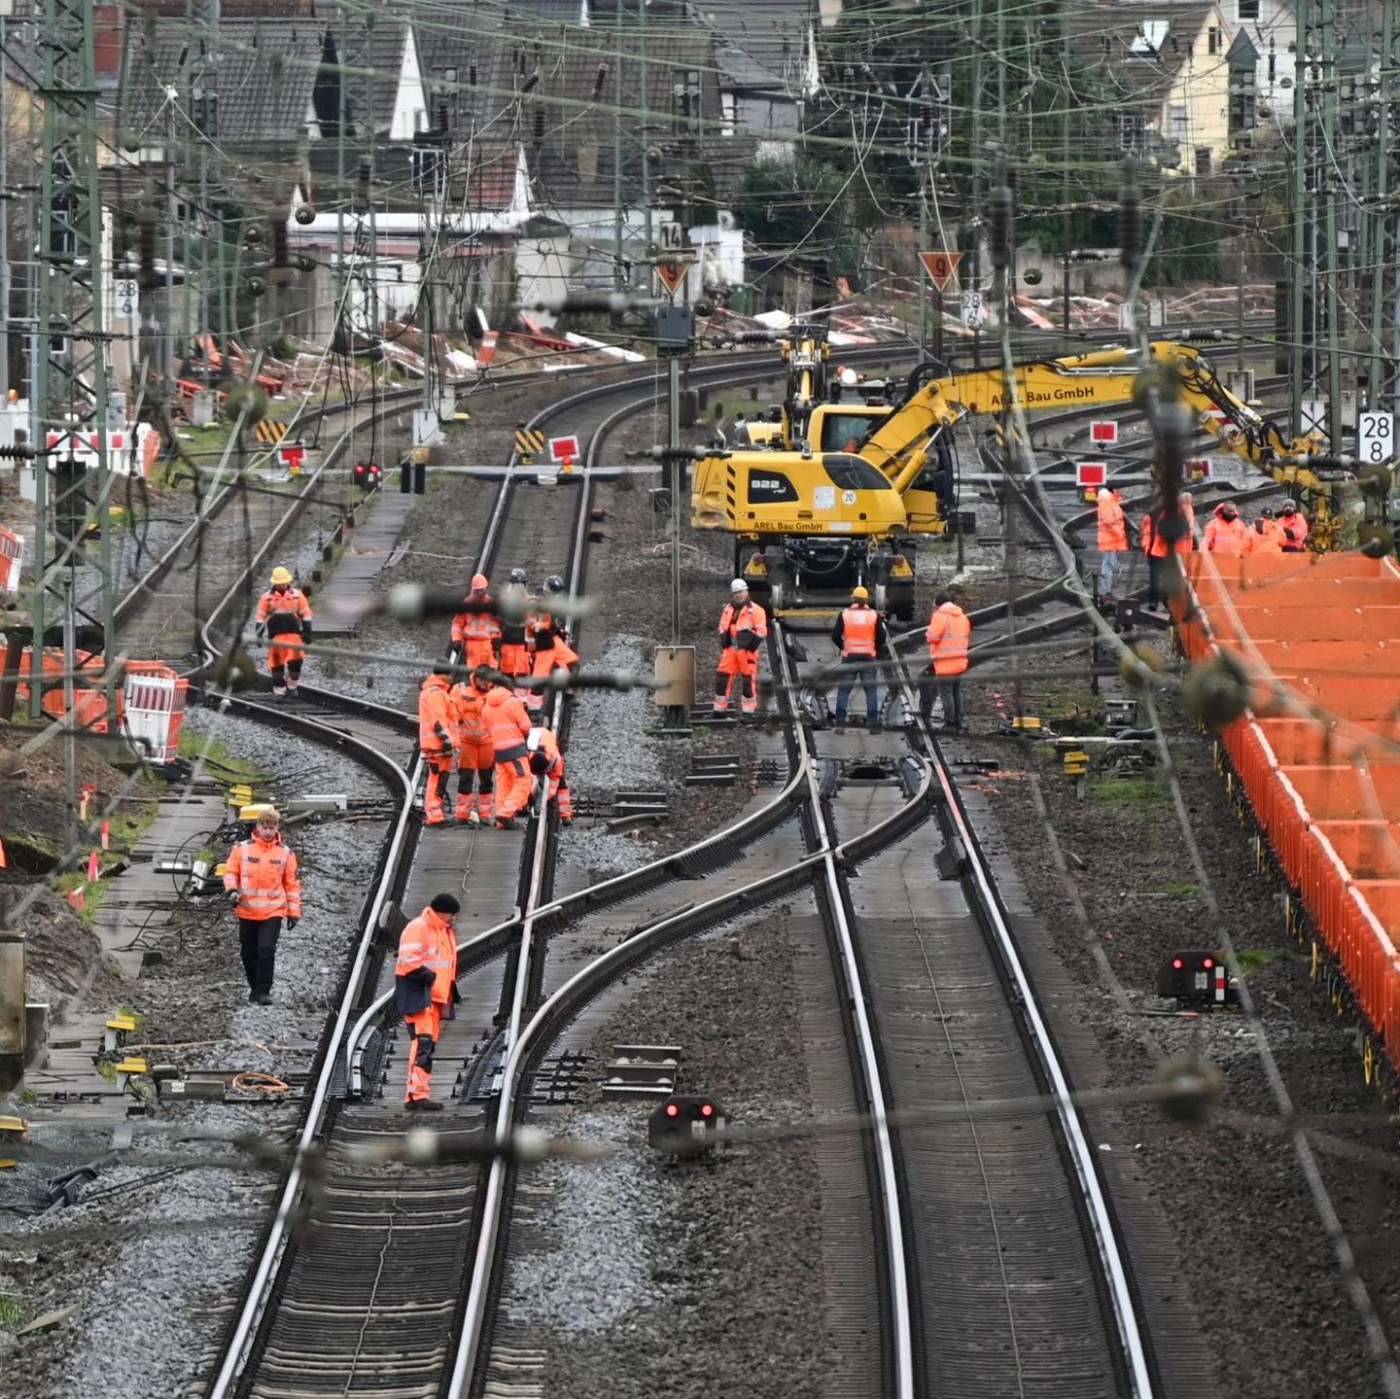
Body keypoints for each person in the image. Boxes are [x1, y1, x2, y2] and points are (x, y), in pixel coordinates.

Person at [223, 808, 301, 1005]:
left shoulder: (285, 853)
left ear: (277, 828)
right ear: (257, 827)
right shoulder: (242, 849)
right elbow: (231, 872)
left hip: (273, 911)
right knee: (248, 952)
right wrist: (232, 890)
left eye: (271, 827)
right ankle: (254, 988)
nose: (267, 831)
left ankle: (263, 990)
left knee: (266, 949)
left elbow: (291, 885)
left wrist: (293, 912)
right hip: (247, 910)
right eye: (264, 827)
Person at [393, 893, 461, 1112]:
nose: (454, 919)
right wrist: (430, 979)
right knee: (422, 1044)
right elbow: (408, 962)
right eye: (452, 914)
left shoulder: (443, 930)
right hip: (421, 996)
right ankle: (416, 1095)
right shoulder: (419, 927)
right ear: (442, 912)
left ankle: (419, 1093)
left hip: (434, 998)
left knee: (426, 1045)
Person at [831, 585, 886, 730]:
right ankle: (873, 724)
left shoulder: (845, 615)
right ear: (866, 599)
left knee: (843, 691)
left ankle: (840, 724)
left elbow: (835, 636)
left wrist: (844, 647)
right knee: (871, 691)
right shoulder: (874, 615)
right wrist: (874, 647)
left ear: (853, 599)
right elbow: (882, 637)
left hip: (849, 657)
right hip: (868, 657)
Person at [485, 670, 534, 829]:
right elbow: (526, 726)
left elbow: (486, 727)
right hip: (515, 750)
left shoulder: (487, 705)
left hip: (498, 750)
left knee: (503, 783)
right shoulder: (512, 702)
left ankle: (501, 820)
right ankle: (506, 812)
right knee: (523, 780)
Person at [255, 567, 313, 698]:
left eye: (283, 582)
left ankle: (292, 686)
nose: (281, 585)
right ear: (274, 583)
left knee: (296, 663)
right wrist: (258, 634)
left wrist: (307, 631)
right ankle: (279, 691)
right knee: (277, 666)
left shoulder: (297, 596)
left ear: (288, 581)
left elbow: (306, 613)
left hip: (294, 636)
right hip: (276, 637)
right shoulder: (267, 598)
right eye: (279, 583)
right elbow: (260, 616)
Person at [525, 576, 580, 712]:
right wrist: (546, 626)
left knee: (573, 665)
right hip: (542, 644)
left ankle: (569, 694)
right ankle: (534, 710)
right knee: (540, 679)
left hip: (553, 640)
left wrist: (560, 630)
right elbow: (530, 624)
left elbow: (554, 623)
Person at [714, 578, 768, 715]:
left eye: (740, 591)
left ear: (746, 591)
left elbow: (762, 631)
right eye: (736, 592)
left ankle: (748, 712)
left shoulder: (755, 610)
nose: (738, 594)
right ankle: (719, 710)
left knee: (748, 681)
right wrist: (724, 642)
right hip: (730, 650)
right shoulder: (728, 608)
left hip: (746, 652)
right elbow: (722, 626)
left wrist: (750, 648)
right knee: (722, 678)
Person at [450, 665, 495, 824]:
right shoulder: (461, 690)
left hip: (487, 742)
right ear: (475, 679)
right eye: (482, 681)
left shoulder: (495, 692)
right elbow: (451, 710)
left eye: (487, 682)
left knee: (486, 779)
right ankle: (462, 815)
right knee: (466, 778)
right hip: (466, 741)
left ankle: (485, 815)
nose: (484, 685)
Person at [922, 591, 971, 731]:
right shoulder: (962, 617)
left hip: (945, 662)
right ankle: (958, 722)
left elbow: (932, 637)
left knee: (946, 693)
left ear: (938, 604)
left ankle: (949, 723)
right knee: (956, 691)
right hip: (960, 661)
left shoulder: (940, 616)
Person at [418, 664, 458, 826]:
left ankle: (436, 814)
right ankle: (434, 816)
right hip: (438, 745)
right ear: (442, 675)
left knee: (438, 778)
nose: (451, 678)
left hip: (435, 744)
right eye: (448, 675)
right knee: (437, 779)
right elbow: (438, 721)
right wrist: (447, 741)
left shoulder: (431, 691)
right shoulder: (436, 693)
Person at [450, 573, 501, 670]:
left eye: (482, 590)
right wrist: (457, 640)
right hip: (473, 643)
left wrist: (496, 638)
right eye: (478, 590)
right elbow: (457, 624)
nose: (480, 592)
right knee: (474, 671)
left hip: (488, 643)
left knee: (491, 669)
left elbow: (497, 624)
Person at [527, 726, 573, 822]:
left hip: (545, 736)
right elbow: (526, 779)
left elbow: (552, 787)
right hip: (536, 735)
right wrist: (529, 796)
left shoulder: (556, 762)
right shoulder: (528, 756)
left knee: (561, 785)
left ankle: (565, 815)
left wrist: (543, 801)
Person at [498, 568, 532, 695]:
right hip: (508, 641)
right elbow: (497, 621)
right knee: (507, 671)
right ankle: (506, 698)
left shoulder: (529, 602)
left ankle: (521, 701)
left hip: (523, 643)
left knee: (522, 671)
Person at [1095, 484, 1128, 598]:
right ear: (1112, 489)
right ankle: (1105, 591)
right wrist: (1119, 534)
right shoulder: (1106, 501)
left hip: (1112, 538)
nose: (1119, 491)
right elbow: (1108, 520)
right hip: (1109, 538)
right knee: (1108, 564)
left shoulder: (1111, 501)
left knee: (1110, 564)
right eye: (1117, 489)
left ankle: (1107, 589)